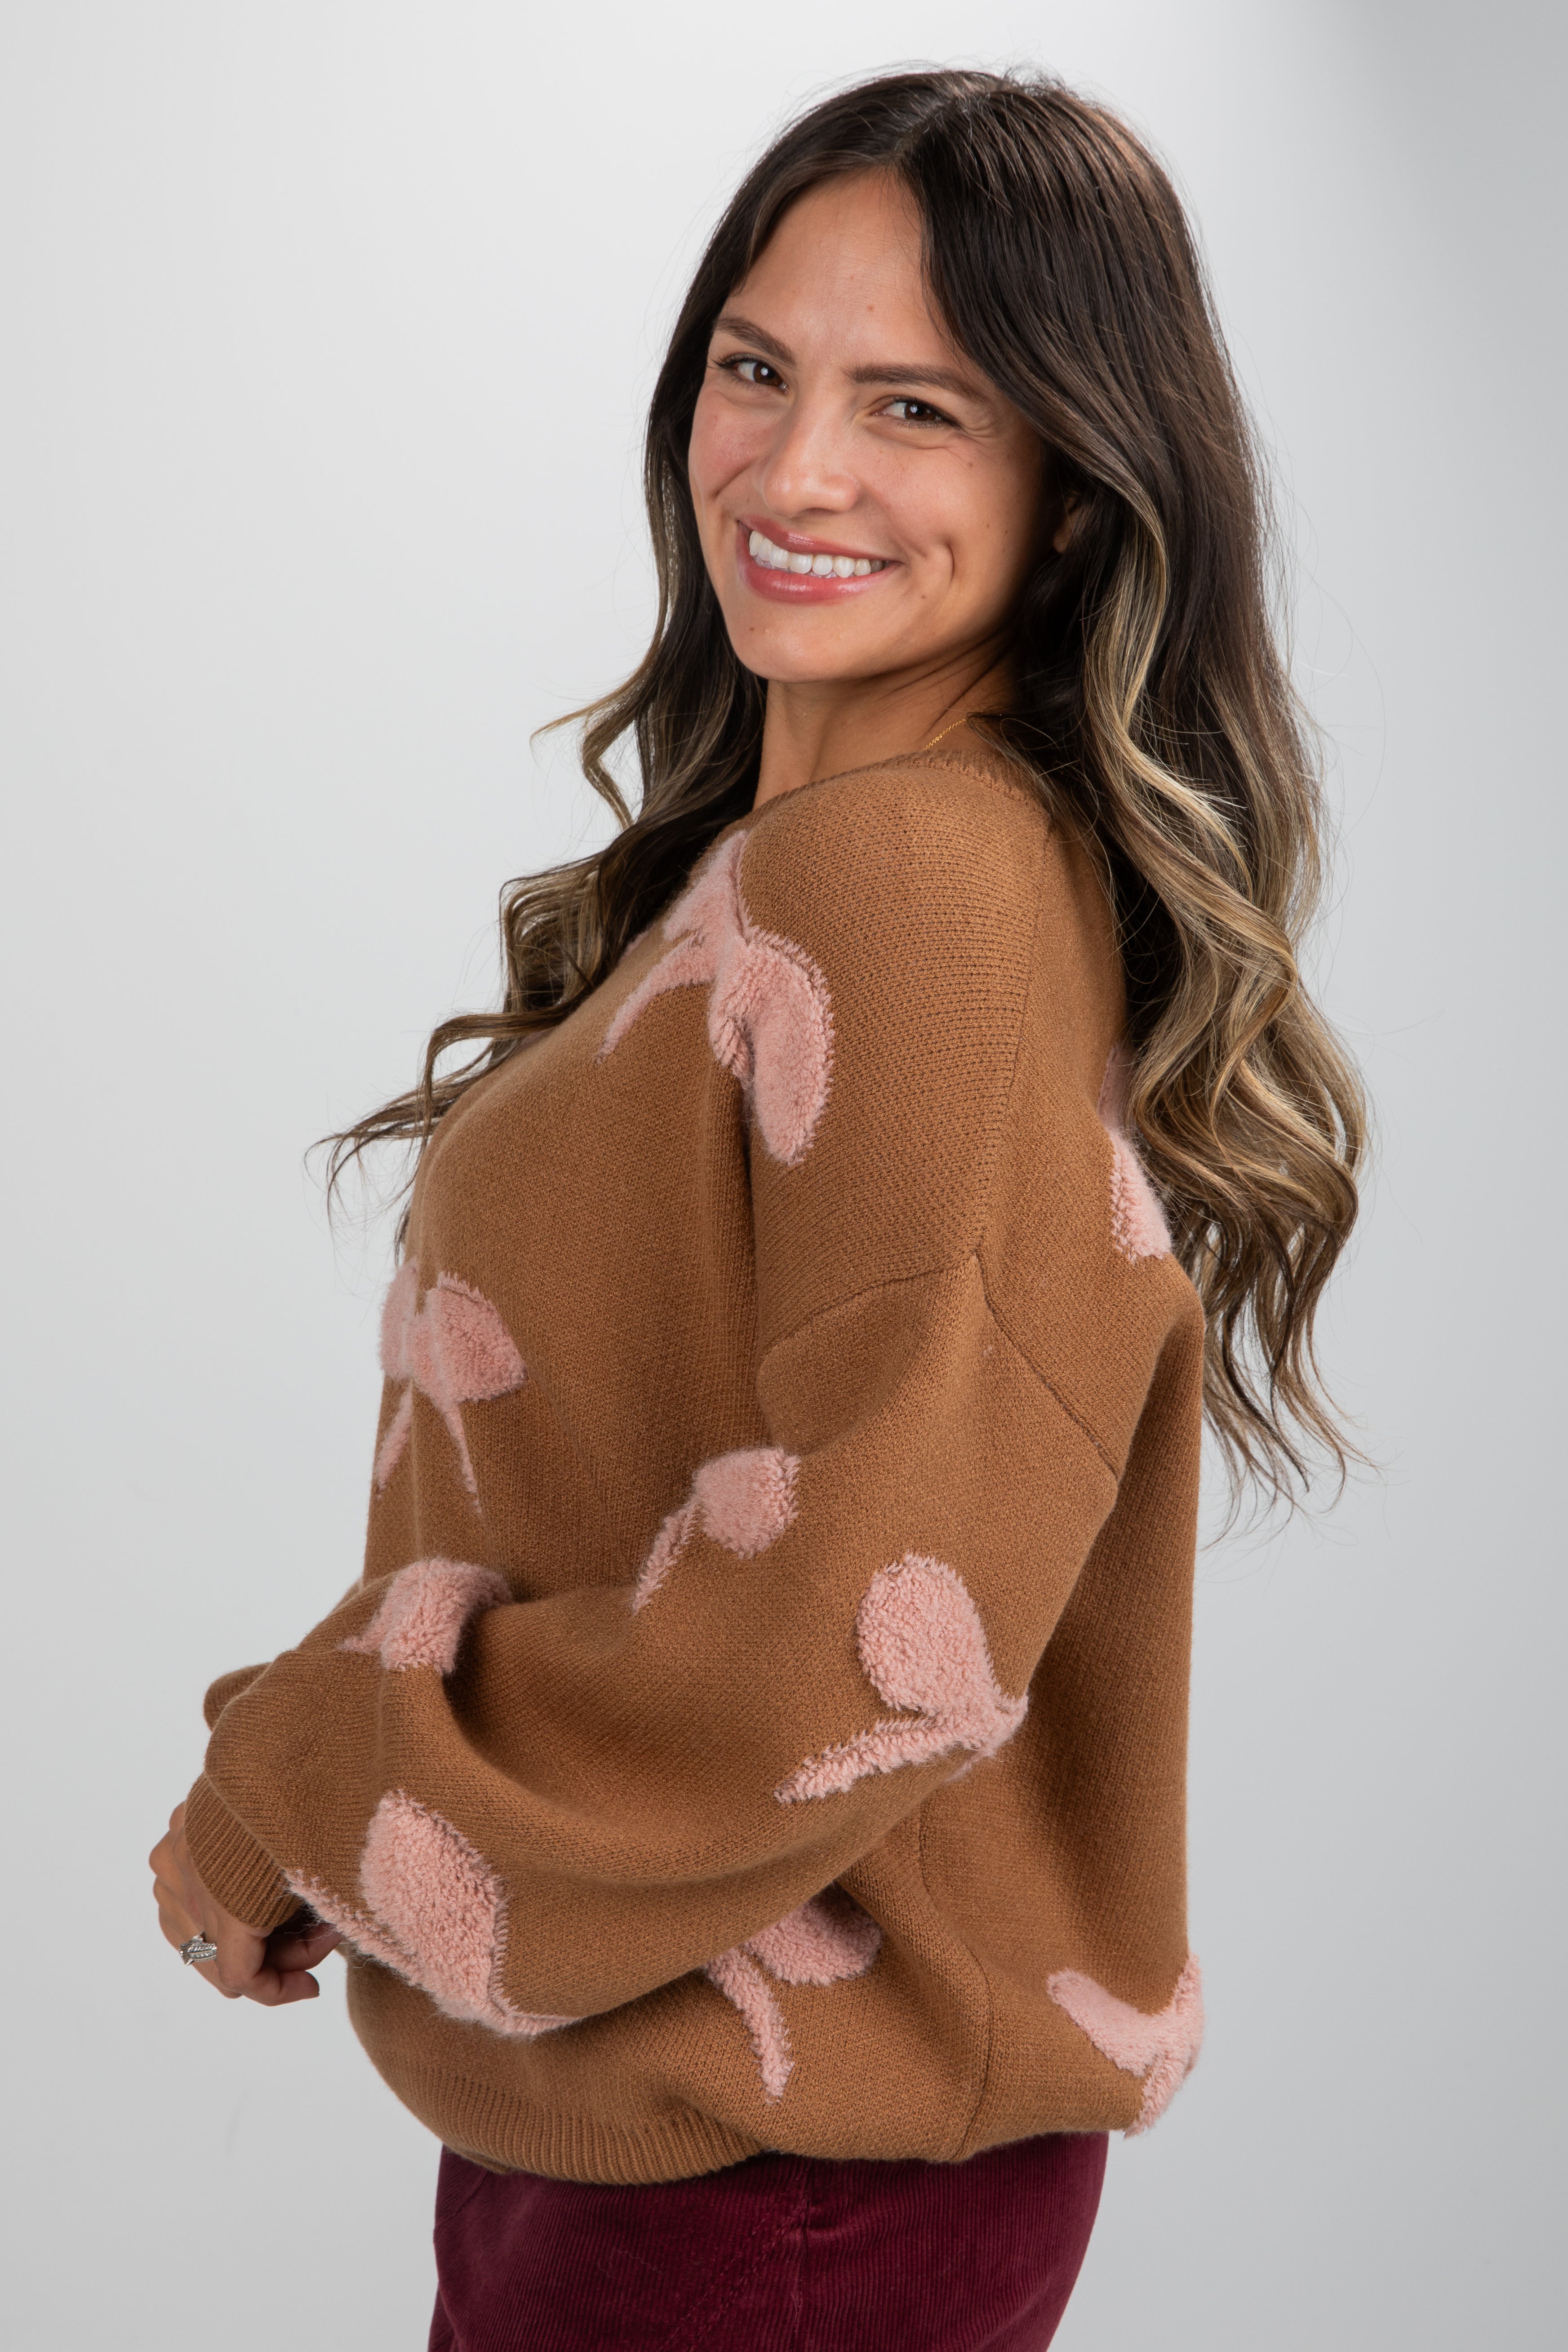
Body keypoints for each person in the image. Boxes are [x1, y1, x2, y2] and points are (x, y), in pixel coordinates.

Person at [150, 67, 1364, 2352]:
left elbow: (857, 1627)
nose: (795, 472)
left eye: (917, 406)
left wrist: (310, 1780)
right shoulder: (813, 867)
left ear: (1083, 494)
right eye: (756, 366)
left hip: (768, 2195)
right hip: (693, 2148)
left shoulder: (916, 880)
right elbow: (651, 1494)